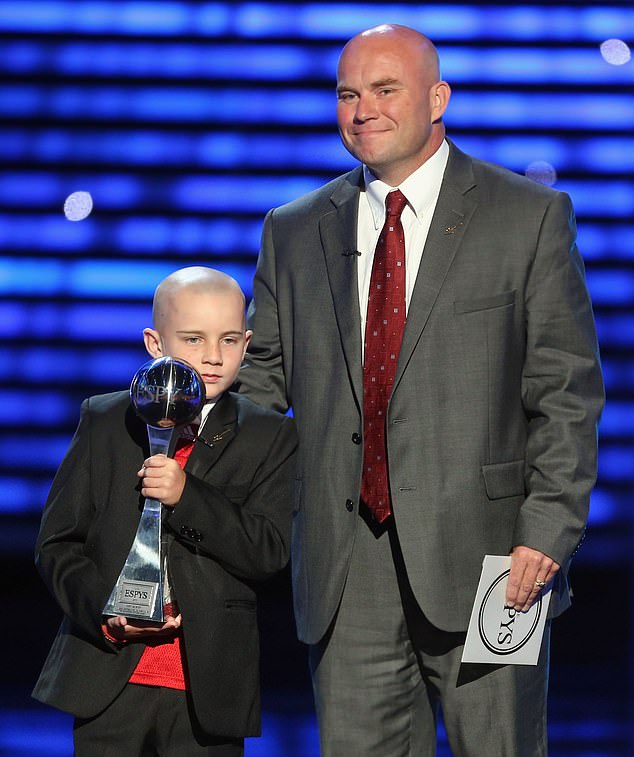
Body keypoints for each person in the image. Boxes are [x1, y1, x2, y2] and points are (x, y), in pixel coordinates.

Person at [236, 23, 604, 756]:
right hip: (347, 566)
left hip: (499, 560)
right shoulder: (295, 229)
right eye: (347, 93)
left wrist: (548, 529)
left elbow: (566, 391)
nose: (361, 109)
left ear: (437, 98)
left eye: (383, 89)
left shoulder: (526, 217)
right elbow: (260, 383)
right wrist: (183, 411)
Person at [32, 267, 298, 757]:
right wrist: (105, 611)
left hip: (208, 690)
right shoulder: (106, 419)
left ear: (248, 342)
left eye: (230, 339)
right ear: (155, 342)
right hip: (109, 676)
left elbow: (269, 551)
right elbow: (57, 544)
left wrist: (187, 496)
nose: (214, 356)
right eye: (194, 339)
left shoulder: (270, 436)